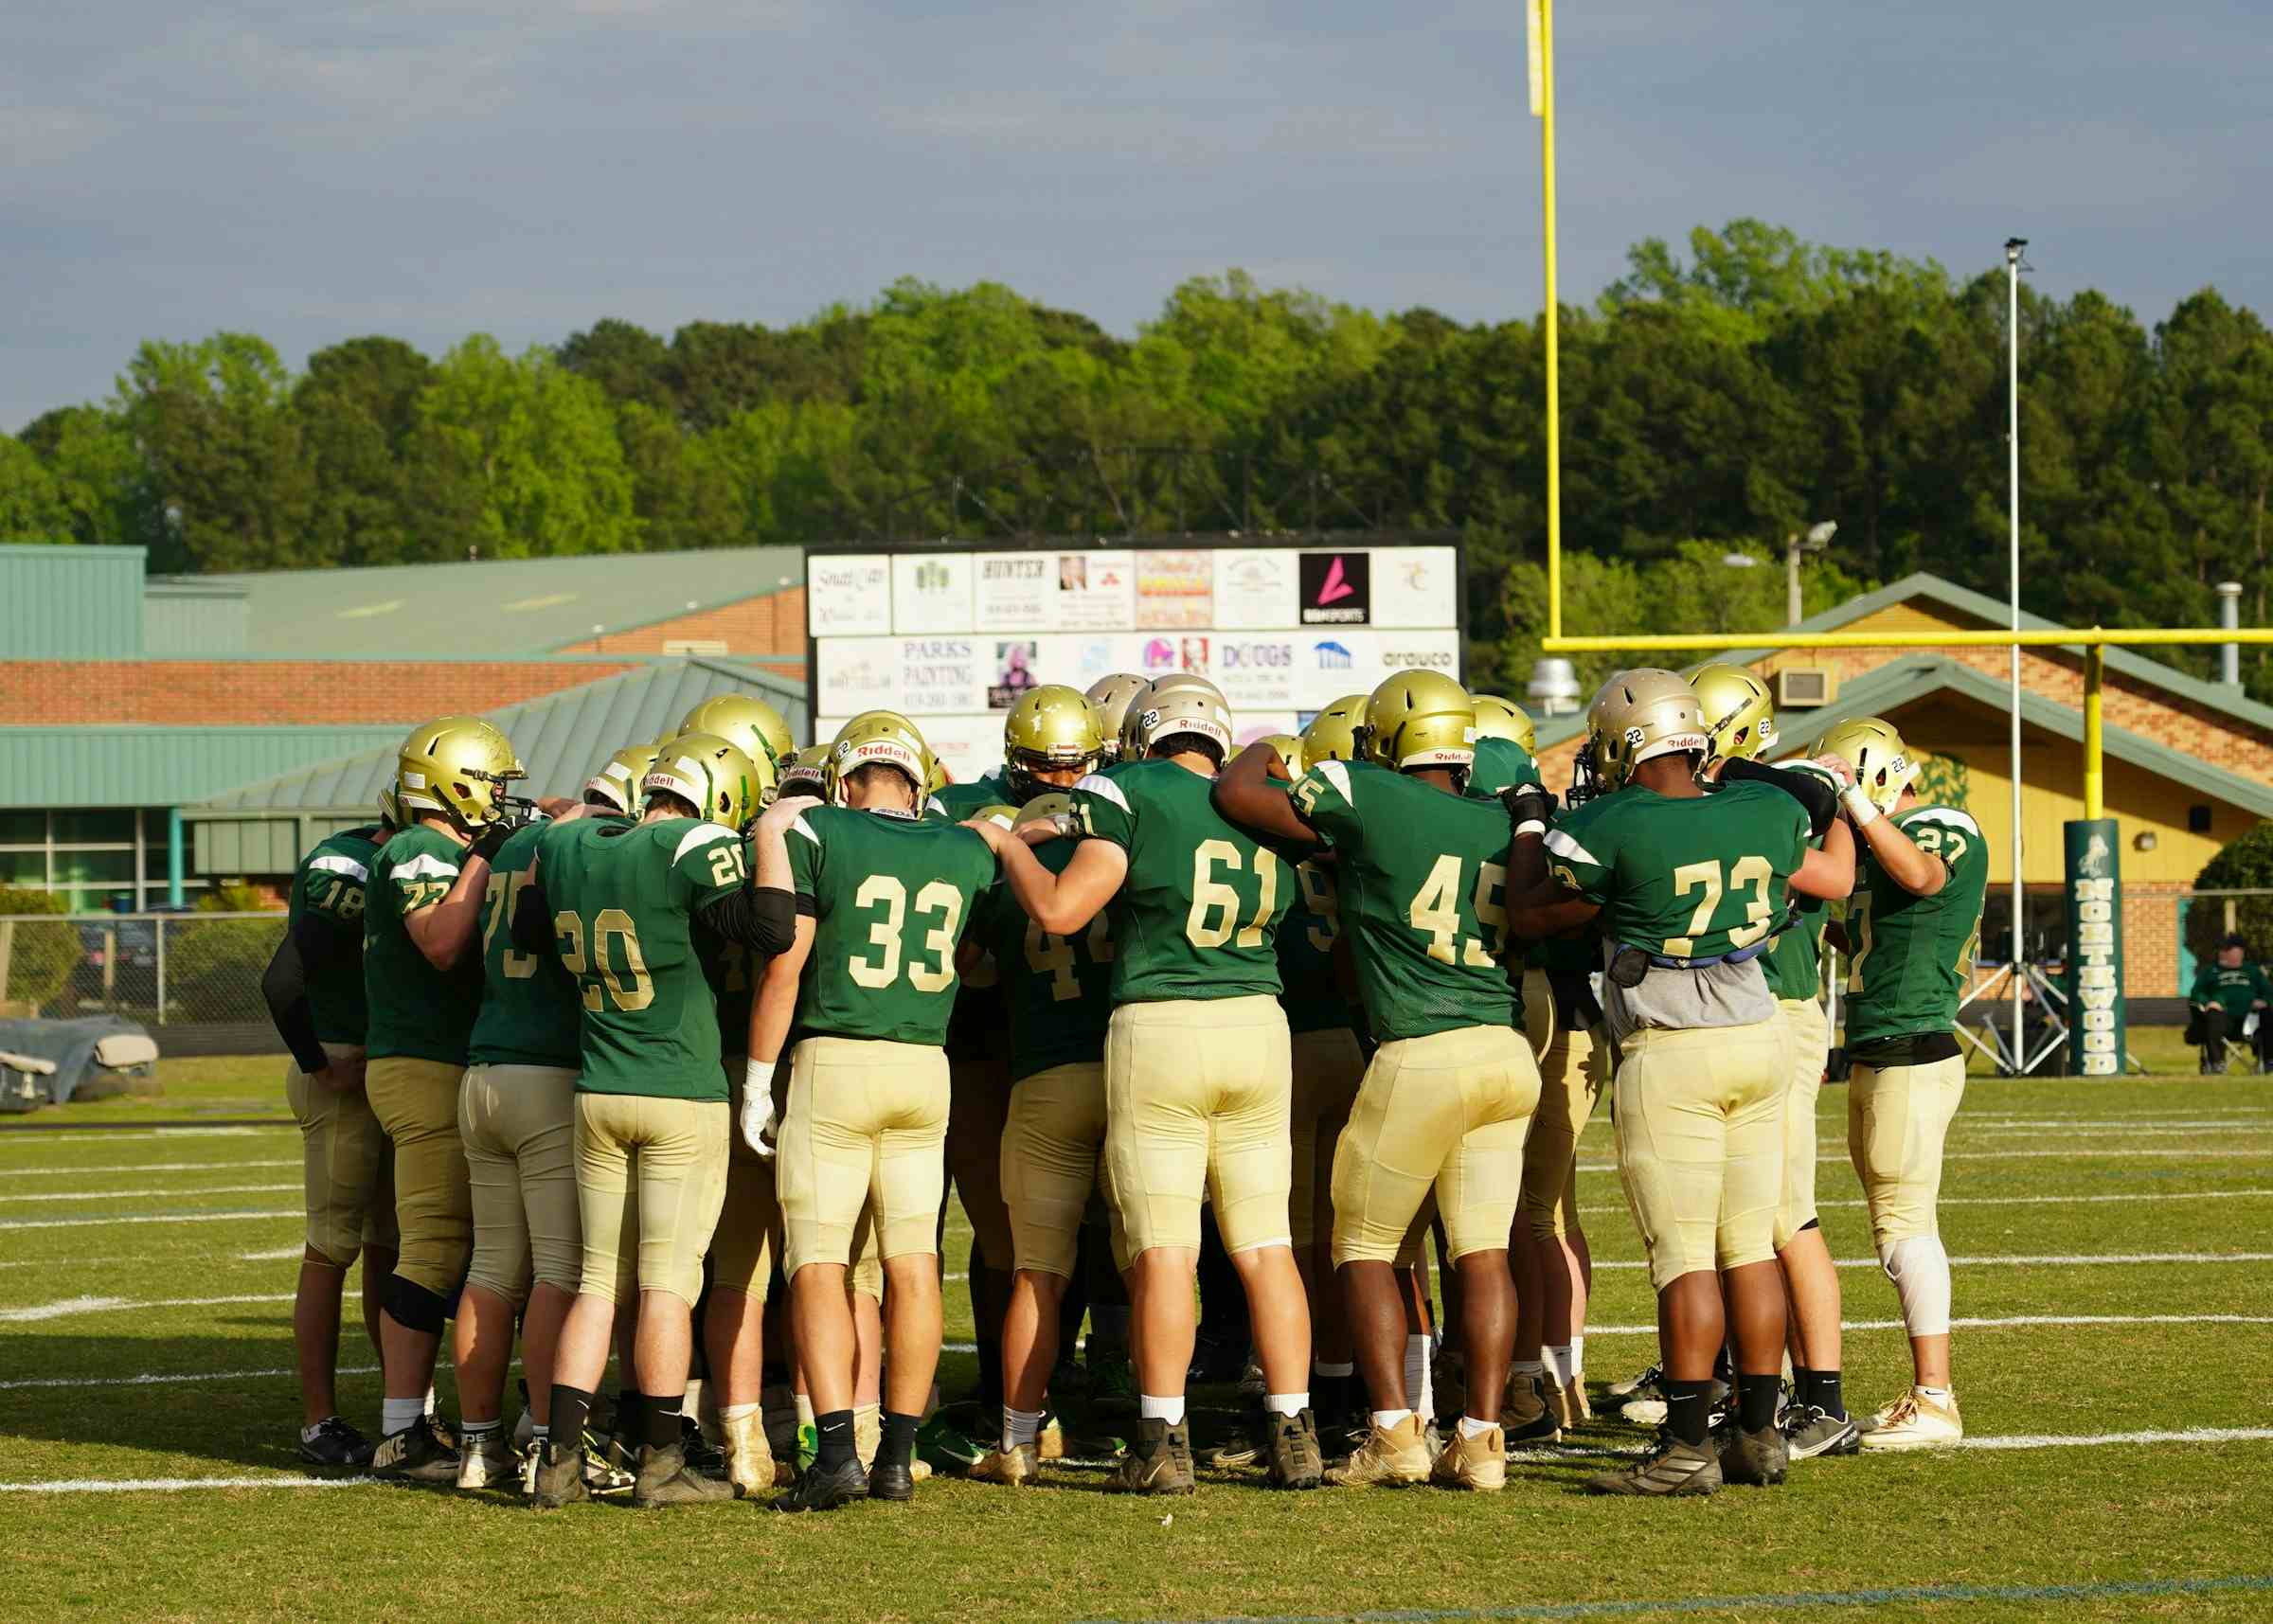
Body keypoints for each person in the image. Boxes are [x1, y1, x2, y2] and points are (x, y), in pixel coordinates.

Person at [966, 676, 1322, 1494]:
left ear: (1142, 737)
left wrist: (1007, 844)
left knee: (1164, 1247)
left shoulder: (1127, 789)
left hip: (1164, 1021)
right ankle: (1293, 1428)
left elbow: (1059, 909)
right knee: (1266, 1244)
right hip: (1259, 1023)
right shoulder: (1257, 802)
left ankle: (1162, 1435)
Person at [1505, 670, 1852, 1497]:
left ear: (1626, 743)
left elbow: (1531, 908)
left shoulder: (1610, 819)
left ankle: (1689, 1441)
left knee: (1687, 1258)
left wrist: (1527, 824)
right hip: (1760, 1037)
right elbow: (1808, 795)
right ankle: (1760, 1432)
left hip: (1674, 1051)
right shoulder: (1764, 810)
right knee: (1749, 1248)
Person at [1213, 669, 1540, 1492]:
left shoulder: (1372, 791)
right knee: (1483, 1250)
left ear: (1393, 737)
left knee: (1361, 1245)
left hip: (1421, 1048)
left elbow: (1240, 793)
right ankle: (1482, 1439)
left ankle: (1395, 1432)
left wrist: (1259, 747)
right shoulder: (1501, 814)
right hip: (1506, 1047)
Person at [525, 732, 791, 1508]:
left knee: (596, 1284)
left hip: (598, 1086)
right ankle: (661, 1464)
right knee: (669, 1287)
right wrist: (771, 831)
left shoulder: (571, 842)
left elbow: (531, 930)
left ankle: (557, 1462)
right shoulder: (691, 841)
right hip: (678, 1089)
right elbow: (770, 930)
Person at [746, 712, 998, 1510]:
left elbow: (784, 968)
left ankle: (834, 1455)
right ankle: (895, 1451)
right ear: (916, 782)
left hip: (837, 1059)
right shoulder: (963, 845)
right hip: (927, 1064)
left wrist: (757, 1079)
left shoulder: (822, 829)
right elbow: (970, 955)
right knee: (913, 1262)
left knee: (817, 1261)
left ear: (846, 780)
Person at [1693, 663, 1857, 1460]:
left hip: (1777, 1013)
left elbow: (1823, 832)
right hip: (1742, 1020)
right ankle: (1741, 1381)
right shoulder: (1753, 798)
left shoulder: (1779, 798)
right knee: (1742, 1214)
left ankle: (1822, 1398)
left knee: (1784, 1214)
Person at [1817, 716, 1989, 1451]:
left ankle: (1936, 1396)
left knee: (1904, 1226)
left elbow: (1923, 874)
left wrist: (1855, 802)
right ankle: (1927, 1393)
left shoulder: (1942, 823)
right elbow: (1848, 933)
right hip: (1876, 1046)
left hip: (1916, 1048)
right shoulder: (1873, 843)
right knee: (1892, 1225)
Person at [363, 716, 525, 1483]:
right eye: (492, 782)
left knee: (457, 1247)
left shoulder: (438, 849)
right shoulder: (415, 848)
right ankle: (401, 1430)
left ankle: (422, 1420)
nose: (498, 798)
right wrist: (482, 863)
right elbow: (440, 939)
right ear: (455, 779)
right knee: (432, 1245)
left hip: (439, 1062)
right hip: (421, 1064)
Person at [965, 791, 1119, 1485]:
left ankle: (1019, 1439)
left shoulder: (1006, 890)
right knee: (1156, 1260)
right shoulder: (1118, 862)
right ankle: (1160, 1420)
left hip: (1044, 1080)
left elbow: (973, 970)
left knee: (1037, 1272)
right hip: (1125, 1071)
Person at [453, 778, 600, 1491]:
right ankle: (549, 1439)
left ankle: (479, 1445)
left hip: (483, 1067)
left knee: (490, 1267)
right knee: (557, 1272)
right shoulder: (574, 847)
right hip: (545, 1071)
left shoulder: (509, 847)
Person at [262, 794, 398, 1470]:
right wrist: (321, 1063)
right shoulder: (349, 869)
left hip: (384, 1068)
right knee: (332, 1246)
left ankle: (404, 1405)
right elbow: (282, 978)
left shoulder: (383, 856)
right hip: (342, 1065)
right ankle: (318, 1420)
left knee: (388, 1246)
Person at [2187, 936, 2273, 1074]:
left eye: (2228, 949)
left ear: (2240, 952)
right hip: (2223, 1018)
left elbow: (2268, 992)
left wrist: (2264, 1001)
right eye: (2222, 950)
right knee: (2213, 1016)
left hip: (2251, 1020)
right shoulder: (2210, 971)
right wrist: (2209, 1002)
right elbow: (2197, 993)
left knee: (2268, 1014)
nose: (2222, 953)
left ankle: (2268, 1060)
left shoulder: (2252, 971)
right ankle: (2217, 1062)